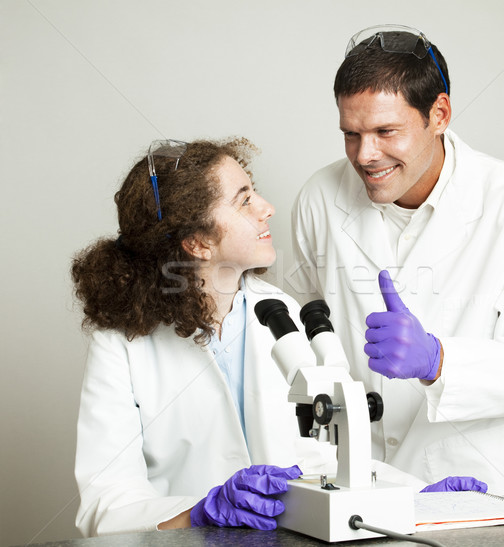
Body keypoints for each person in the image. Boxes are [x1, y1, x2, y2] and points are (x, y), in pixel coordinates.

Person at [72, 137, 481, 537]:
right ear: (197, 242)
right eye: (244, 200)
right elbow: (105, 506)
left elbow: (320, 460)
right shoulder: (121, 343)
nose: (267, 209)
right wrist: (197, 514)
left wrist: (410, 497)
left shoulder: (279, 310)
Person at [291, 25, 504, 495]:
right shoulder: (319, 199)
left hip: (476, 488)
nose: (365, 156)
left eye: (386, 131)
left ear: (440, 113)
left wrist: (439, 360)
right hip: (353, 485)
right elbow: (307, 336)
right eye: (351, 134)